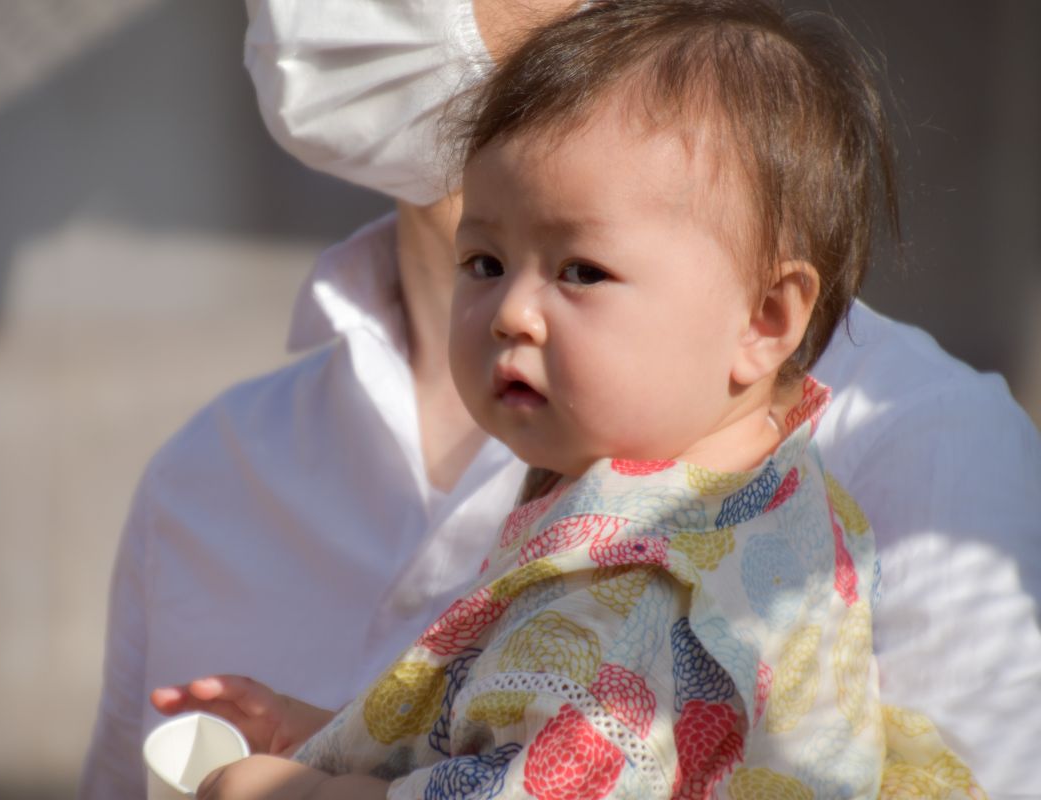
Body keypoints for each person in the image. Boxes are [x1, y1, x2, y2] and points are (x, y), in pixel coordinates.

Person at [79, 0, 1041, 797]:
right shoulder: (210, 469)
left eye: (580, 270)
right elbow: (506, 716)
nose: (513, 314)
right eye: (485, 264)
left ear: (767, 318)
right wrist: (331, 738)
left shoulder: (699, 556)